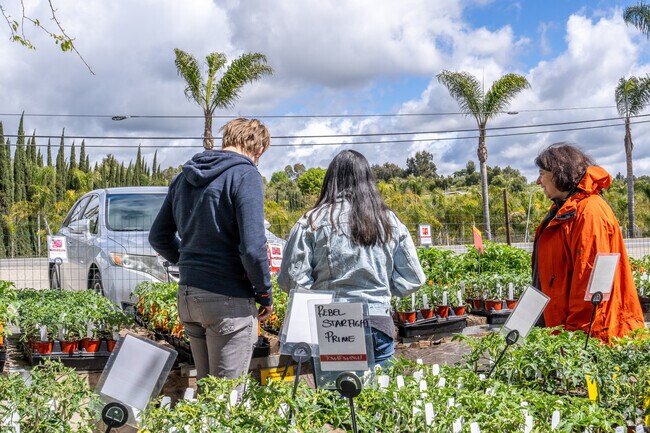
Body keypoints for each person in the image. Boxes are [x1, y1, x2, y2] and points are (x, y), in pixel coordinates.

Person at [149, 117, 273, 381]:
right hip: (227, 299)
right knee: (227, 399)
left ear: (227, 139)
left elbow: (158, 237)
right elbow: (253, 248)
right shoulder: (246, 174)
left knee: (209, 395)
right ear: (259, 149)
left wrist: (188, 262)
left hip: (189, 297)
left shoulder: (183, 178)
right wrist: (264, 293)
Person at [277, 150, 425, 366]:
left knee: (337, 395)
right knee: (381, 397)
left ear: (331, 180)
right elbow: (414, 278)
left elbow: (292, 279)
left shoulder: (312, 221)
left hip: (333, 323)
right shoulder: (389, 220)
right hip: (378, 322)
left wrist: (321, 295)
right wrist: (380, 291)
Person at [532, 143, 644, 342]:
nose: (538, 181)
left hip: (585, 335)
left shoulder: (589, 212)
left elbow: (590, 285)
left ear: (559, 172)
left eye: (542, 173)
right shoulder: (563, 210)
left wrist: (576, 339)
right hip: (561, 328)